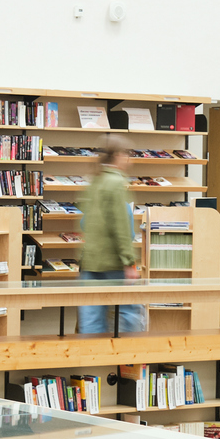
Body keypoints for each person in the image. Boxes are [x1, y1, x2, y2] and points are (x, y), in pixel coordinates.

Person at [76, 138, 146, 335]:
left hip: (91, 261)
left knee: (91, 313)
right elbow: (122, 227)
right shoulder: (116, 183)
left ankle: (92, 358)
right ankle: (130, 356)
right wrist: (129, 261)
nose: (129, 160)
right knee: (128, 309)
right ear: (118, 156)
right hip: (113, 261)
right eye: (127, 155)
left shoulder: (95, 181)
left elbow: (84, 222)